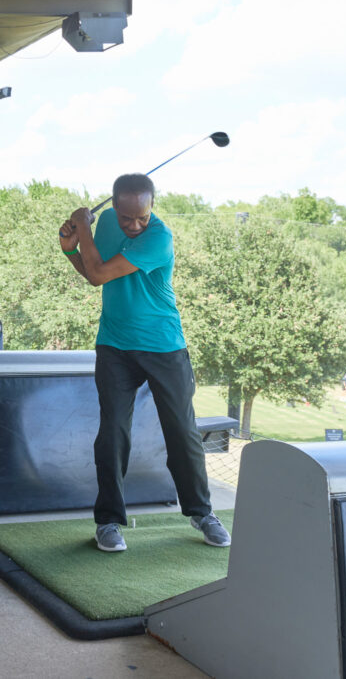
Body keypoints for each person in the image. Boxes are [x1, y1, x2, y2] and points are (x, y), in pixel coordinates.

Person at [59, 173, 230, 553]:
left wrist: (82, 227)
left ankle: (201, 513)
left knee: (181, 431)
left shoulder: (159, 237)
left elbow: (100, 273)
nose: (135, 225)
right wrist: (71, 250)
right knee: (112, 432)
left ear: (152, 208)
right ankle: (107, 521)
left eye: (143, 217)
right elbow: (94, 272)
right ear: (114, 207)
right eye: (127, 218)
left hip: (163, 346)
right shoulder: (105, 223)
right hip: (115, 345)